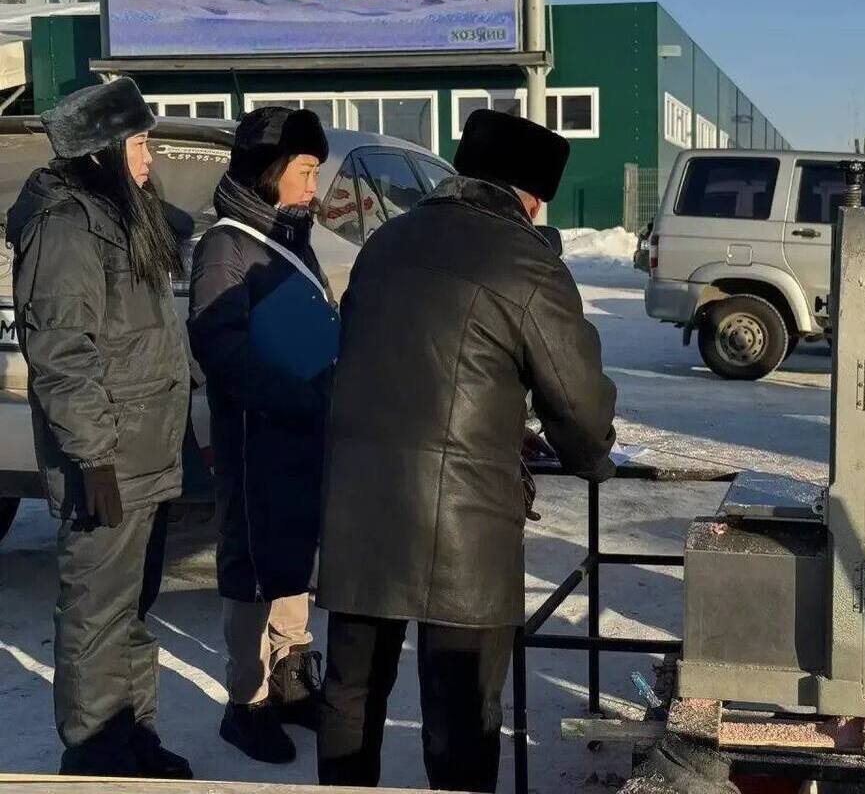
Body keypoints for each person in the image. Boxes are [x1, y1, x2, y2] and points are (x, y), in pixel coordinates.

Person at [316, 109, 617, 791]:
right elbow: (579, 407)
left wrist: (497, 417)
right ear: (532, 198)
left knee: (352, 690)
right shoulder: (527, 262)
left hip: (359, 499)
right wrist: (589, 456)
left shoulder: (386, 241)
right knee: (459, 711)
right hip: (463, 519)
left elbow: (395, 360)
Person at [5, 77, 192, 778]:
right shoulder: (65, 226)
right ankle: (94, 754)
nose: (150, 157)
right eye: (139, 143)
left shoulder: (116, 212)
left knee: (130, 609)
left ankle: (131, 733)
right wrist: (93, 459)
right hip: (108, 459)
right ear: (100, 150)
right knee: (95, 611)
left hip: (144, 452)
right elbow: (61, 352)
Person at [188, 107, 333, 764]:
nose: (313, 186)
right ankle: (245, 702)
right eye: (305, 171)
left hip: (299, 431)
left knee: (293, 553)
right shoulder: (228, 246)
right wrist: (293, 398)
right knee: (250, 565)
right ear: (269, 171)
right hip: (255, 438)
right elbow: (219, 345)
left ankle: (293, 678)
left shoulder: (289, 235)